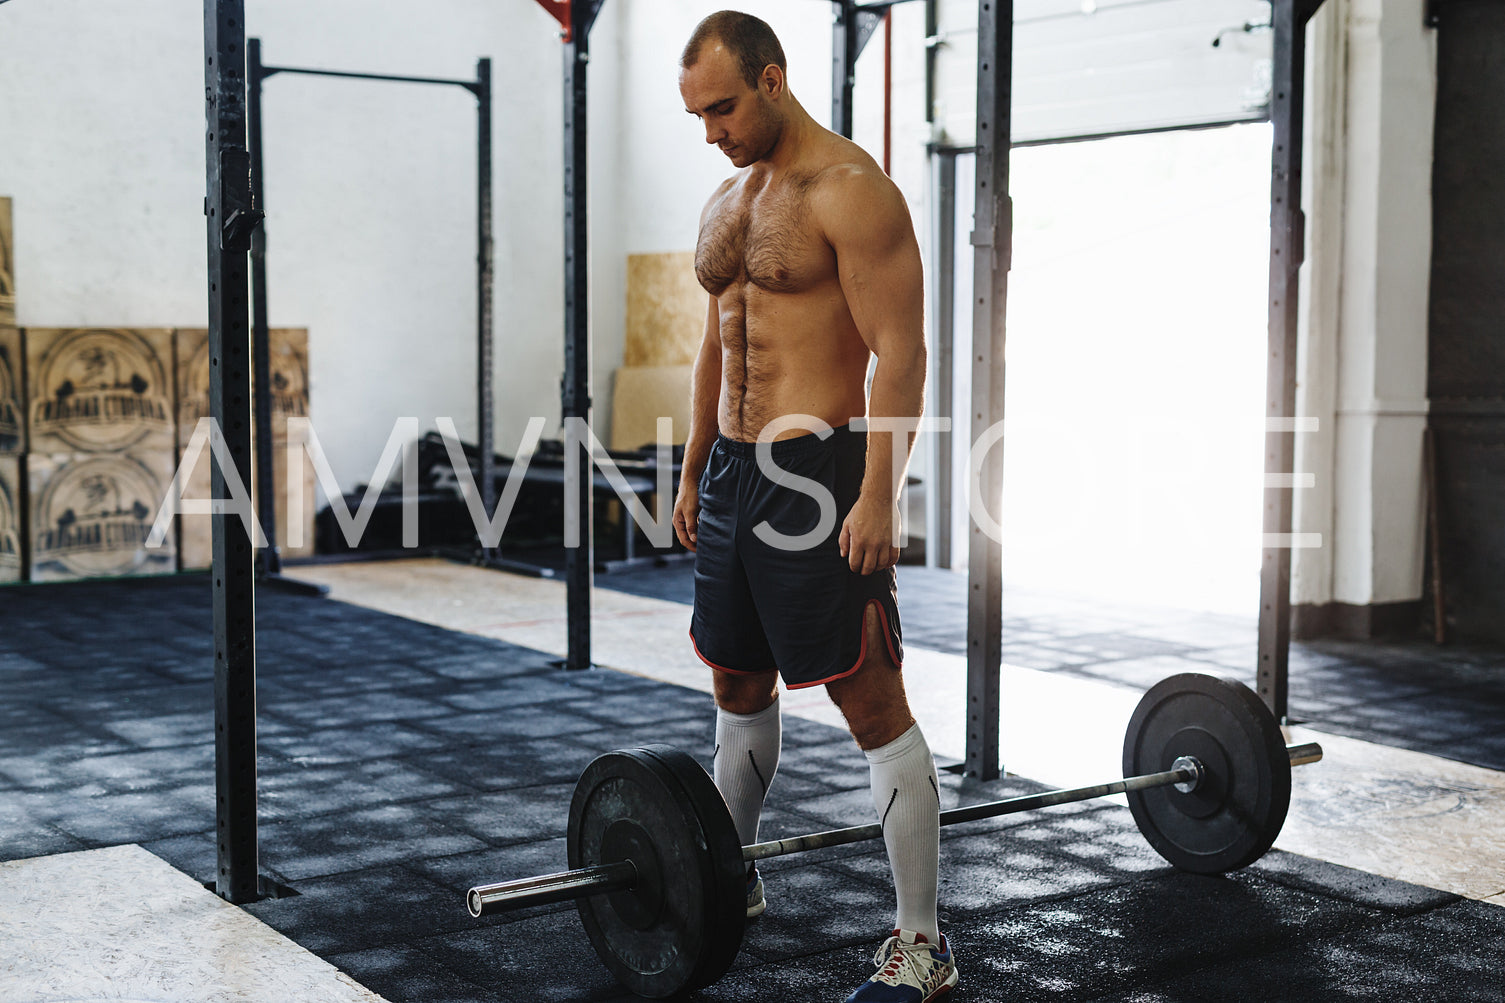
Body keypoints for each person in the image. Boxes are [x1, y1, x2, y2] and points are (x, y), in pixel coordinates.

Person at [671, 11, 956, 1003]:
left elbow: (901, 354)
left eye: (722, 107)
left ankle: (920, 943)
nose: (711, 130)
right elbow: (718, 340)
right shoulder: (722, 200)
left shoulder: (851, 193)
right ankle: (725, 878)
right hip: (734, 478)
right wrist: (693, 462)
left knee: (864, 695)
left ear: (772, 80)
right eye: (696, 114)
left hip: (822, 473)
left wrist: (881, 489)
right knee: (737, 685)